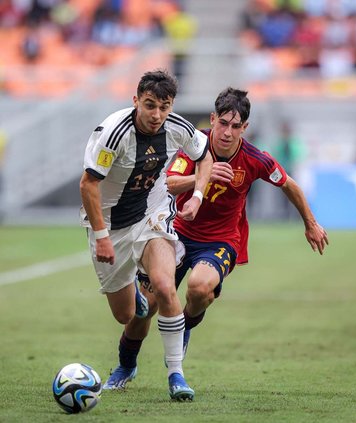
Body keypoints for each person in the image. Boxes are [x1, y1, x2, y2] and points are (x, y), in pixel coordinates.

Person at [102, 87, 329, 391]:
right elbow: (169, 182)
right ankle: (126, 365)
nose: (227, 132)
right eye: (223, 123)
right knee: (150, 304)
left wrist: (310, 223)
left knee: (199, 288)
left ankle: (183, 326)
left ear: (244, 128)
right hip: (176, 232)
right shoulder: (195, 145)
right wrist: (203, 177)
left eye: (236, 127)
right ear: (213, 119)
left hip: (221, 240)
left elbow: (288, 185)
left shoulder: (254, 158)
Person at [79, 69, 212, 401]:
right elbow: (88, 184)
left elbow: (205, 156)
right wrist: (102, 235)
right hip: (110, 226)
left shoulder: (178, 127)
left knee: (166, 288)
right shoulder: (113, 134)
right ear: (136, 100)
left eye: (164, 107)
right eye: (150, 105)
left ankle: (176, 375)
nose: (156, 115)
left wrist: (197, 195)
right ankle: (136, 299)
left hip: (153, 215)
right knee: (128, 314)